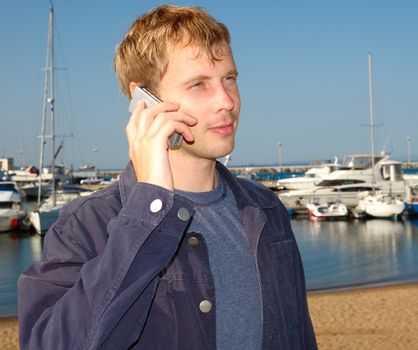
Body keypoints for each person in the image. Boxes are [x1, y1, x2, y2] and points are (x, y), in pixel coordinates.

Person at [18, 5, 317, 350]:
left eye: (229, 79)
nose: (226, 101)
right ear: (144, 100)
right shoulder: (86, 225)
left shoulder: (266, 209)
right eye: (198, 85)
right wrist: (146, 214)